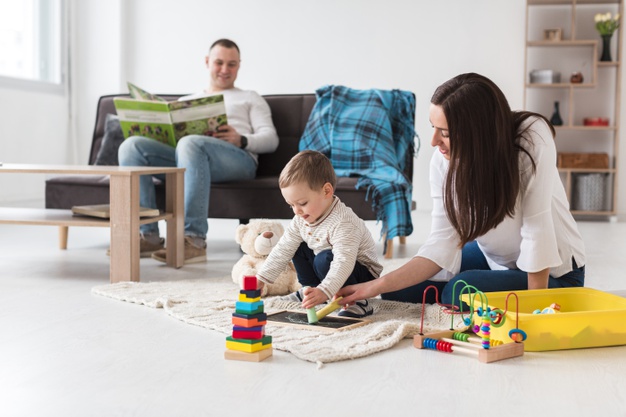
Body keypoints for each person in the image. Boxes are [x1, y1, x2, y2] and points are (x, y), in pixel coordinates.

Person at [337, 72, 586, 309]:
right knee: (394, 291)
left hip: (554, 274)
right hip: (494, 259)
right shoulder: (443, 161)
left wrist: (536, 310)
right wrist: (376, 285)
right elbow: (442, 242)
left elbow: (537, 231)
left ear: (476, 133)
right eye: (433, 128)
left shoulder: (531, 137)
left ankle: (489, 286)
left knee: (457, 291)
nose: (434, 141)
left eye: (444, 132)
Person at [118, 38, 279, 263]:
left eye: (231, 64)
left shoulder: (249, 97)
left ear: (239, 65)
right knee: (131, 146)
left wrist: (240, 139)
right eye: (219, 62)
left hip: (238, 161)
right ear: (207, 62)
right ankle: (148, 235)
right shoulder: (187, 101)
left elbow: (271, 139)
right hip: (189, 156)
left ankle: (193, 238)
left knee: (190, 143)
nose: (225, 70)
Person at [256, 150, 383, 318]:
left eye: (302, 203)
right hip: (328, 263)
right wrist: (262, 277)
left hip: (361, 273)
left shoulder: (343, 222)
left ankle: (356, 301)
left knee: (325, 259)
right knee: (296, 245)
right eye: (291, 205)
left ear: (326, 191)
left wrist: (326, 290)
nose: (297, 211)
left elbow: (343, 261)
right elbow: (283, 248)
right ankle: (310, 291)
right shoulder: (301, 219)